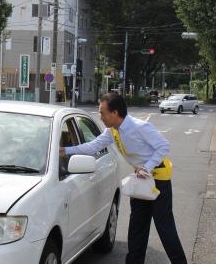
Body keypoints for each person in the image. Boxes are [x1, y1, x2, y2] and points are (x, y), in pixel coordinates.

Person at [60, 92, 187, 264]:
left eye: (102, 113)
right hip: (141, 180)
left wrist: (147, 167)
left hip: (158, 179)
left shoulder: (139, 127)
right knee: (136, 229)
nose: (100, 117)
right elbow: (93, 146)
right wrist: (66, 151)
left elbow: (164, 146)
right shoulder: (112, 130)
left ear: (115, 113)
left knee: (165, 229)